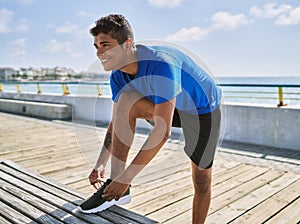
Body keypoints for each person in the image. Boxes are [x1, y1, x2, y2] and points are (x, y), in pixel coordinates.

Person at [78, 14, 222, 224]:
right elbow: (117, 121)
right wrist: (101, 163)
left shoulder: (161, 64)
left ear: (127, 45)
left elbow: (162, 133)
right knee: (126, 100)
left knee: (201, 181)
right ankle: (117, 185)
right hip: (166, 106)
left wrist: (128, 177)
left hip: (202, 111)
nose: (99, 53)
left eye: (105, 45)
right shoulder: (118, 75)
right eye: (96, 46)